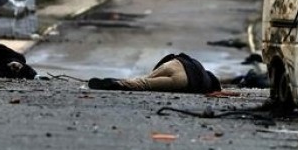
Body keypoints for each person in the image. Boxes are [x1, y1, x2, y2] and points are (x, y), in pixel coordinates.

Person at [88, 52, 220, 94]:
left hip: (175, 63)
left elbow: (172, 56)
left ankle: (121, 81)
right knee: (145, 84)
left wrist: (154, 72)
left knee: (144, 78)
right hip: (182, 80)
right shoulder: (204, 86)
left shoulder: (199, 66)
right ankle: (117, 83)